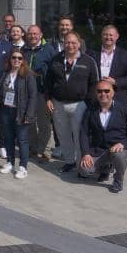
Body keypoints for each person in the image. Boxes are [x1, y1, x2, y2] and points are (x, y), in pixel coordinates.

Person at [44, 31, 99, 172]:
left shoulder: (88, 61)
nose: (70, 45)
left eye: (73, 42)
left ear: (79, 44)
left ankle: (82, 164)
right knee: (63, 135)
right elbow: (48, 81)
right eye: (67, 42)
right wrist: (48, 98)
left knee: (80, 136)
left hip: (79, 105)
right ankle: (69, 161)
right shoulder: (55, 60)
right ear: (63, 44)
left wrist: (89, 103)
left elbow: (94, 84)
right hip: (58, 104)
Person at [78, 81, 127, 194]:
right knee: (84, 170)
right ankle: (105, 168)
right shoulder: (90, 110)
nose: (103, 94)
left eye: (107, 91)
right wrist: (86, 153)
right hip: (99, 150)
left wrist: (123, 144)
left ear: (113, 92)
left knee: (118, 156)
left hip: (119, 149)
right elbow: (83, 132)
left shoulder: (124, 109)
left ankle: (118, 180)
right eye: (99, 91)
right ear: (96, 93)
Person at [0, 51, 37, 179]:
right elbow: (0, 92)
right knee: (8, 138)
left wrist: (29, 114)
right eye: (14, 57)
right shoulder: (5, 73)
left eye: (20, 58)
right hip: (6, 110)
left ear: (23, 60)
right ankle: (10, 162)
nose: (17, 60)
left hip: (21, 112)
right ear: (10, 59)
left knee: (22, 140)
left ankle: (23, 167)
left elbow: (33, 96)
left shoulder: (28, 75)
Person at [22, 24, 55, 161]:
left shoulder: (49, 50)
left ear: (41, 35)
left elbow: (54, 72)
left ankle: (44, 149)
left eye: (35, 34)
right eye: (30, 33)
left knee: (44, 124)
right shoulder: (23, 50)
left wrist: (50, 95)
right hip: (26, 93)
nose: (33, 36)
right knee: (29, 121)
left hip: (42, 92)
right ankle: (34, 148)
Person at [94, 25, 127, 105]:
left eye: (111, 35)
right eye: (105, 34)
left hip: (118, 97)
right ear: (101, 36)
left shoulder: (126, 55)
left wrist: (115, 82)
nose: (108, 37)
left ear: (117, 36)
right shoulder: (92, 53)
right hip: (96, 98)